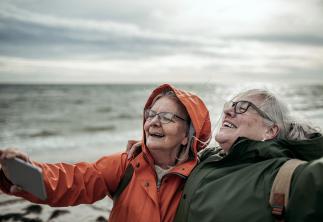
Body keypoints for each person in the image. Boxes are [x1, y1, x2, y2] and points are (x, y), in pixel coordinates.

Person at [0, 83, 212, 222]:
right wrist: (24, 171)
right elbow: (75, 181)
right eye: (151, 114)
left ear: (187, 135)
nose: (154, 122)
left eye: (166, 117)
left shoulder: (202, 177)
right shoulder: (126, 164)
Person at [173, 89, 323, 222]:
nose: (228, 112)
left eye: (242, 107)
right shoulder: (204, 158)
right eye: (230, 106)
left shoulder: (283, 175)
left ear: (270, 131)